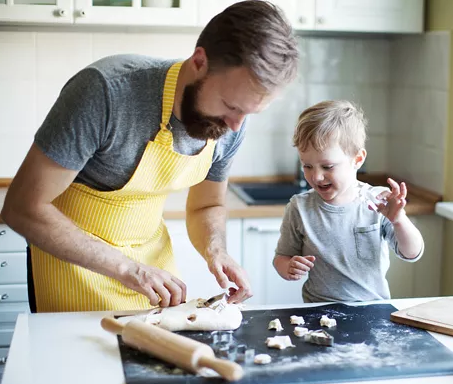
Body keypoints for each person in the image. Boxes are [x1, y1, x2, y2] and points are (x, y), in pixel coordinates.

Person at [0, 0, 299, 312]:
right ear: (199, 61)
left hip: (153, 272)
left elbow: (207, 204)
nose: (236, 125)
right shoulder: (106, 92)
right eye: (230, 105)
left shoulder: (233, 121)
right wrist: (129, 269)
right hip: (73, 270)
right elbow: (22, 208)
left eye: (250, 113)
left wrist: (216, 250)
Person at [273, 100, 425, 303]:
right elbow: (281, 258)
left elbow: (412, 252)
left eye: (327, 166)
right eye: (307, 166)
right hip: (317, 312)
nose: (316, 177)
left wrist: (399, 221)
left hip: (371, 310)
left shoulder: (378, 202)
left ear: (358, 159)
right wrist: (288, 267)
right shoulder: (299, 208)